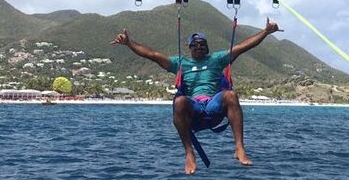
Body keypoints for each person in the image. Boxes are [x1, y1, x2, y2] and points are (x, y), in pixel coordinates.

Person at [110, 17, 281, 175]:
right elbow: (152, 55)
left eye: (202, 43)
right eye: (195, 44)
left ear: (207, 47)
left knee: (231, 95)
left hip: (214, 103)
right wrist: (129, 43)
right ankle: (189, 154)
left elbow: (243, 47)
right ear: (190, 48)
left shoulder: (217, 59)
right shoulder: (180, 63)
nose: (199, 46)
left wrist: (265, 32)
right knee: (179, 101)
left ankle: (239, 149)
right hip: (194, 106)